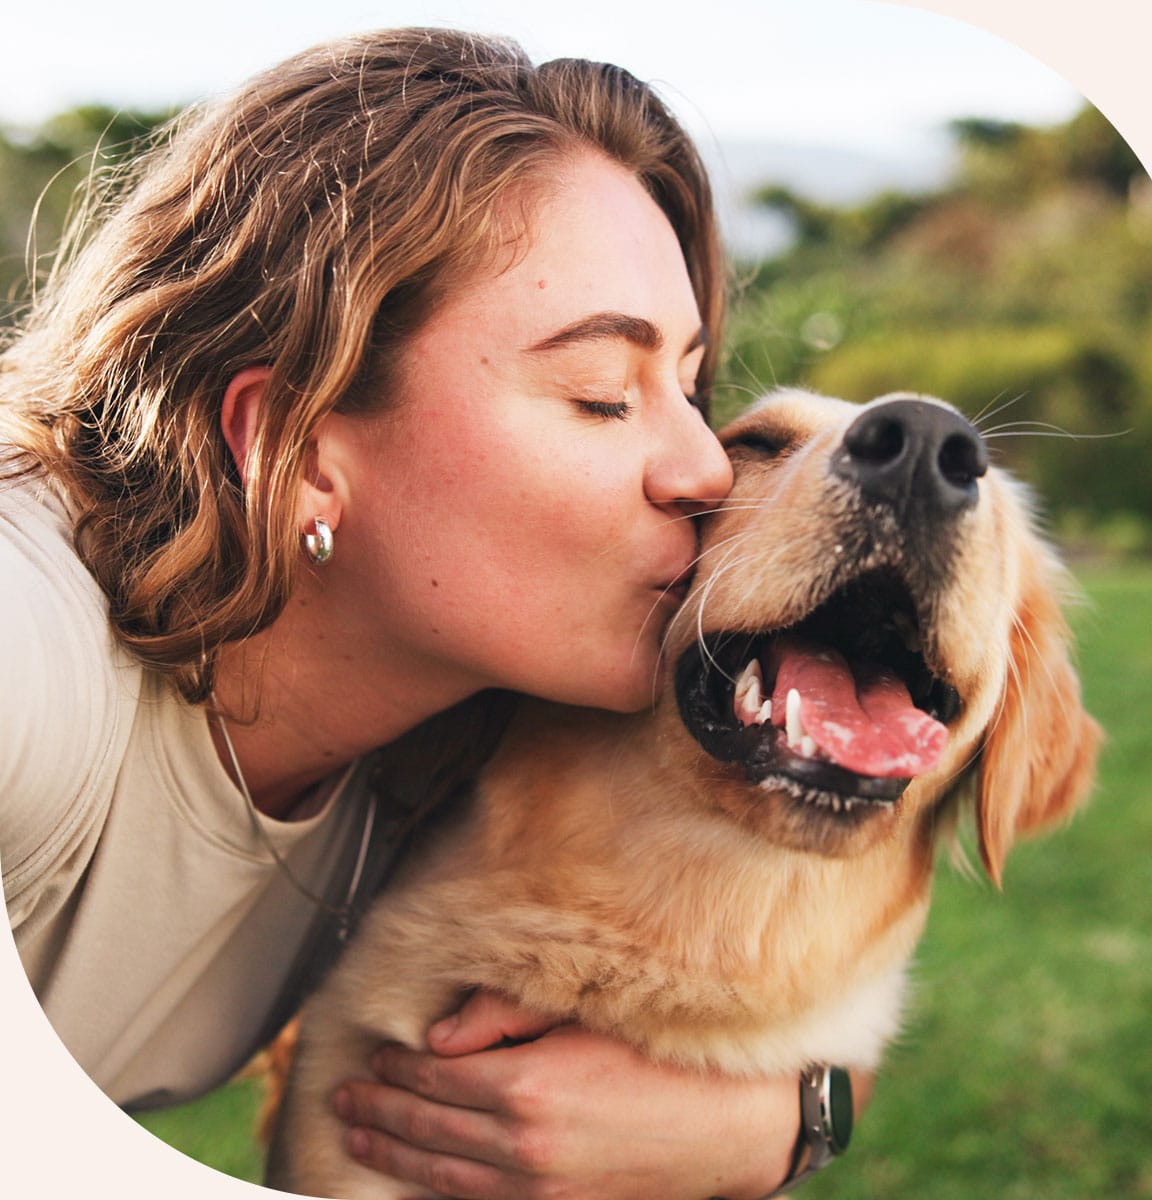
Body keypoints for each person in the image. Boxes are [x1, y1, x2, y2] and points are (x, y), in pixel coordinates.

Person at [0, 28, 853, 1198]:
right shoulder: (32, 655)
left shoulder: (481, 739)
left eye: (692, 388)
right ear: (292, 446)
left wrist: (783, 1121)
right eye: (603, 396)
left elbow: (795, 953)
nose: (706, 468)